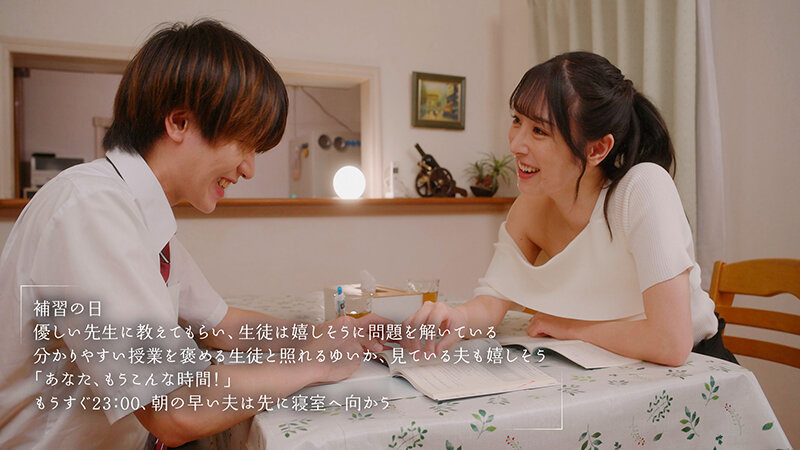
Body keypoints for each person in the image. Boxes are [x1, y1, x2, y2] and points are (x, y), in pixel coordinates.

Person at [0, 20, 387, 449]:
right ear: (179, 122)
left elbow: (221, 325)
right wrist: (313, 365)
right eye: (244, 143)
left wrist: (320, 335)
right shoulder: (90, 209)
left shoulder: (141, 216)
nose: (249, 169)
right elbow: (174, 408)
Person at [401, 51, 736, 367]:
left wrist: (573, 329)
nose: (516, 144)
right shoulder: (532, 206)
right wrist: (456, 318)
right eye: (516, 120)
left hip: (695, 369)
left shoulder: (642, 188)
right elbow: (491, 301)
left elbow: (670, 343)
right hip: (607, 364)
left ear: (597, 149)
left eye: (539, 131)